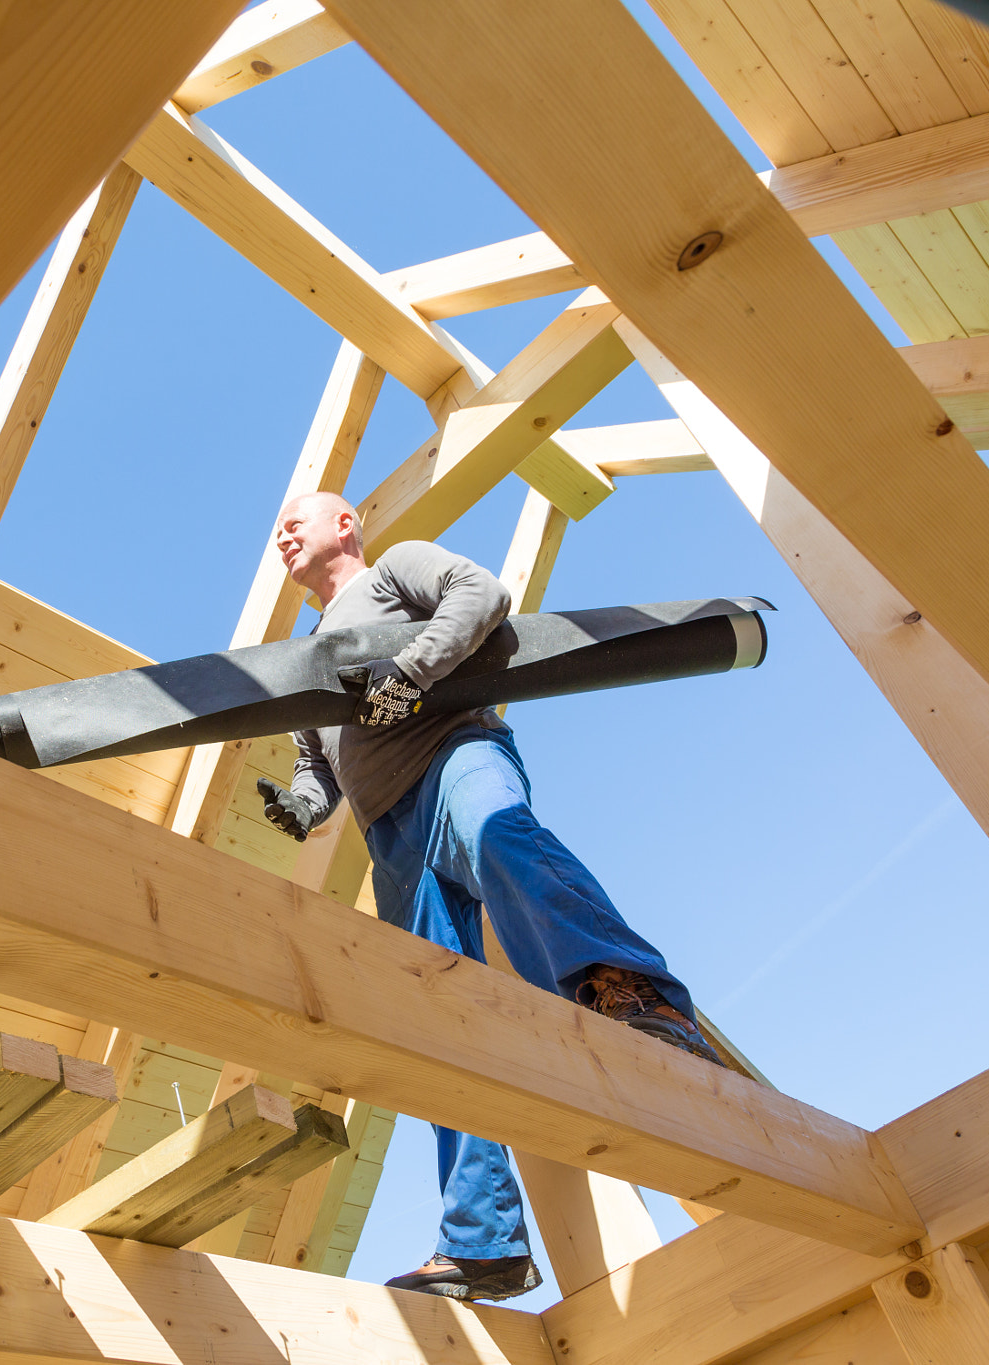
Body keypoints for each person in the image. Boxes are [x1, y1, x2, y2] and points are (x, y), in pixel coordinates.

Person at [256, 491, 724, 1304]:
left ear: (348, 526)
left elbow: (482, 594)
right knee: (437, 1021)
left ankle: (640, 999)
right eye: (277, 528)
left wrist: (406, 675)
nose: (285, 530)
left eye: (303, 516)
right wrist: (301, 805)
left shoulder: (396, 569)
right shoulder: (307, 658)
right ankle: (483, 1241)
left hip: (453, 754)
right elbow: (317, 766)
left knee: (502, 838)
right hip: (388, 837)